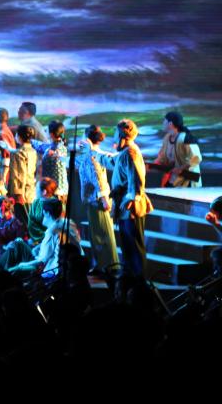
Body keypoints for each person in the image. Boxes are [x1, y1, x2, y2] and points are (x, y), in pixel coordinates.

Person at [107, 119, 153, 279]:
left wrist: (132, 198)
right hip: (124, 205)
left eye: (116, 133)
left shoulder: (131, 153)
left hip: (131, 207)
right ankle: (130, 278)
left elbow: (137, 178)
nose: (114, 137)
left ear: (122, 135)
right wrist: (94, 153)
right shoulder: (125, 152)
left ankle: (138, 279)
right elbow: (111, 160)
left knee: (134, 245)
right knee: (127, 244)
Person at [77, 125, 120, 277]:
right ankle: (101, 265)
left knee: (104, 234)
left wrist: (104, 199)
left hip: (99, 200)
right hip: (93, 200)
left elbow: (98, 178)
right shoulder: (89, 154)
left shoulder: (93, 155)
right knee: (97, 235)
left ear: (88, 138)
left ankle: (111, 266)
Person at [154, 111, 202, 188]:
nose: (162, 123)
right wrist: (155, 164)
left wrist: (180, 168)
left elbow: (196, 158)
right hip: (174, 179)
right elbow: (163, 157)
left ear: (170, 124)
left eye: (164, 121)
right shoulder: (167, 138)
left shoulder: (186, 138)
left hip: (188, 180)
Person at [4, 124, 38, 226]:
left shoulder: (18, 153)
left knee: (22, 222)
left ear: (19, 137)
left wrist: (18, 194)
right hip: (31, 190)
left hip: (21, 193)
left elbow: (18, 175)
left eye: (16, 135)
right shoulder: (33, 151)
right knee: (30, 220)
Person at [0, 196, 26, 260]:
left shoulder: (15, 222)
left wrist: (12, 245)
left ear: (0, 208)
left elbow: (20, 238)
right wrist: (3, 247)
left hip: (11, 250)